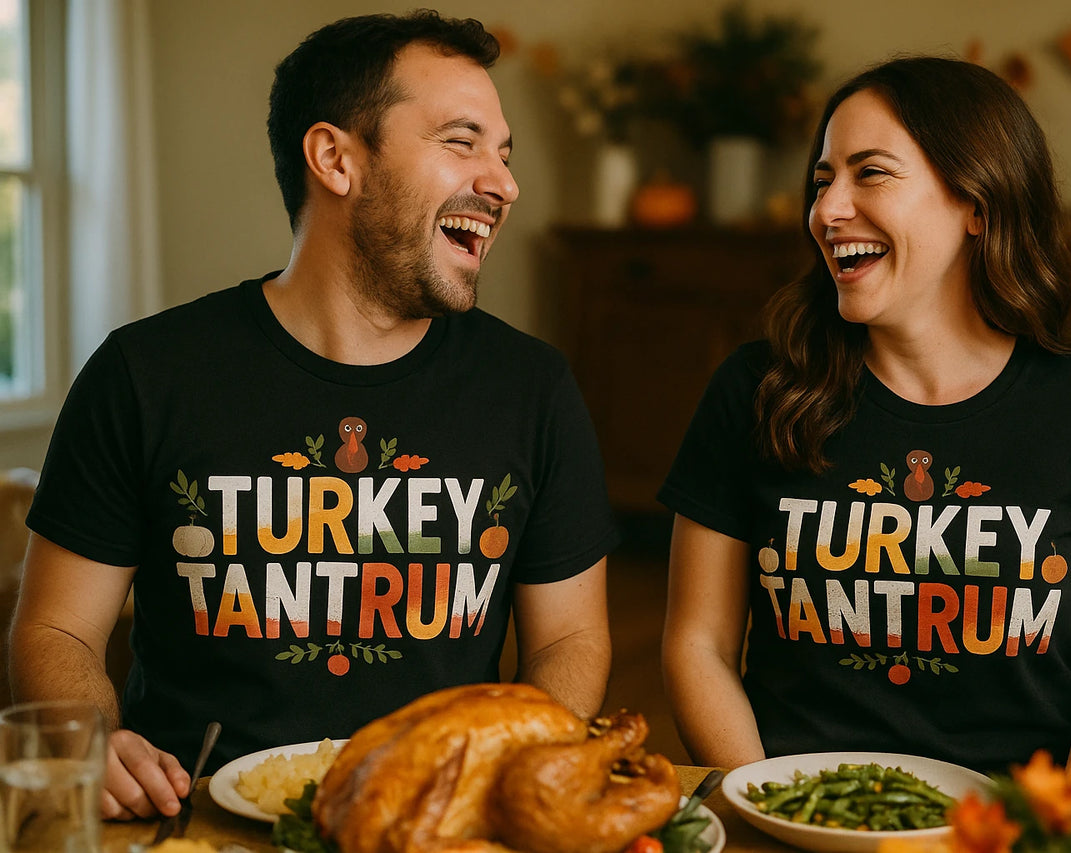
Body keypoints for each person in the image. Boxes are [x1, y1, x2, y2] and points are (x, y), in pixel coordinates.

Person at [8, 9, 617, 821]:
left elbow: (568, 640)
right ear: (336, 158)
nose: (504, 183)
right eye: (461, 141)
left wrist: (521, 771)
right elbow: (57, 630)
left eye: (503, 154)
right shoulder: (144, 373)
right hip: (194, 819)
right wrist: (95, 738)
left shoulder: (532, 386)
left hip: (439, 821)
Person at [659, 56, 1071, 780]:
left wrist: (1048, 818)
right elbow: (699, 644)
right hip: (794, 810)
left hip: (1005, 825)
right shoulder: (757, 386)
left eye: (869, 173)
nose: (826, 210)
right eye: (823, 180)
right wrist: (767, 801)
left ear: (977, 202)